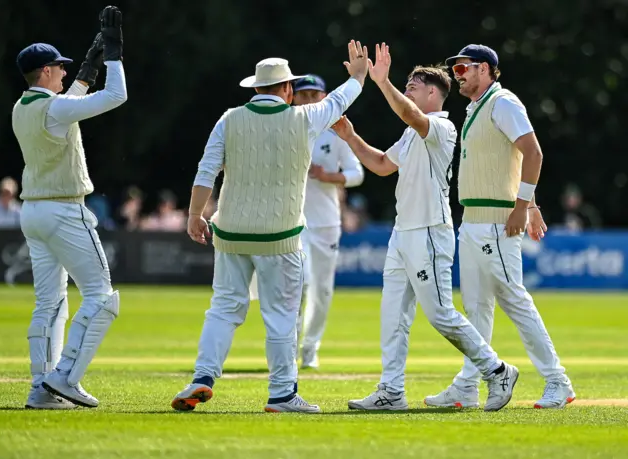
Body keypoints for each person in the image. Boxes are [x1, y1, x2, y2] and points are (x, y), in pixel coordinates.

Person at [171, 41, 369, 414]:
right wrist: (358, 75)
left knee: (224, 309)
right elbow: (339, 100)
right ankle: (281, 395)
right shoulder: (304, 117)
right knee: (280, 314)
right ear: (288, 90)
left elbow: (205, 170)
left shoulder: (229, 118)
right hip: (280, 237)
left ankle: (202, 378)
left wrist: (195, 215)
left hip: (230, 232)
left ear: (256, 88)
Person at [334, 43, 518, 412]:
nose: (407, 91)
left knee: (440, 313)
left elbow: (411, 115)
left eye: (412, 86)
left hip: (430, 230)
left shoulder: (441, 126)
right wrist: (350, 136)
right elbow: (384, 165)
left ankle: (497, 370)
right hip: (404, 233)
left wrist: (382, 83)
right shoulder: (413, 131)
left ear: (433, 92)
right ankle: (391, 391)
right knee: (393, 316)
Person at [424, 44, 575, 410]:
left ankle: (558, 381)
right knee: (475, 308)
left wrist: (524, 207)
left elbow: (533, 151)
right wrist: (531, 204)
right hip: (474, 221)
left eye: (464, 69)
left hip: (497, 223)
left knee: (514, 300)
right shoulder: (476, 107)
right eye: (456, 70)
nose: (458, 76)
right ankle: (467, 385)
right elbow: (514, 161)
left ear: (486, 70)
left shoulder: (503, 102)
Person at [12, 5, 127, 409]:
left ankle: (41, 387)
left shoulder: (23, 107)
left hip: (35, 213)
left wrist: (85, 70)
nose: (63, 73)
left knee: (48, 302)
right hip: (64, 210)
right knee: (101, 296)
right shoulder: (54, 109)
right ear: (44, 72)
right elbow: (117, 96)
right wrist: (112, 55)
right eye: (58, 68)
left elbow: (66, 106)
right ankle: (65, 377)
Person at [291, 74, 364, 369]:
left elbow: (357, 173)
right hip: (292, 223)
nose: (308, 100)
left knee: (321, 291)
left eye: (314, 95)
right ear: (292, 97)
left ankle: (310, 348)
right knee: (300, 284)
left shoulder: (335, 134)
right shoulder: (286, 128)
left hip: (326, 223)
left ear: (324, 98)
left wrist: (328, 176)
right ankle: (289, 348)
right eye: (303, 95)